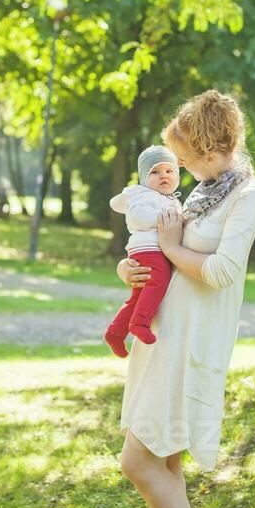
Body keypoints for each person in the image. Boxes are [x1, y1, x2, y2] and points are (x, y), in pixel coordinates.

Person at [116, 89, 255, 508]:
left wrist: (174, 247)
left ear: (210, 145)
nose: (179, 166)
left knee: (136, 461)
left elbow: (222, 270)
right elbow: (153, 248)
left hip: (191, 343)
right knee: (164, 460)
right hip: (157, 338)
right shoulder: (199, 193)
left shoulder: (247, 195)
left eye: (185, 155)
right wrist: (128, 268)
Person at [104, 145, 183, 356]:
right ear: (143, 178)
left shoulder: (170, 199)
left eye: (169, 171)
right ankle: (140, 323)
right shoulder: (142, 195)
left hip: (152, 249)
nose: (163, 176)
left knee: (139, 295)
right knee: (158, 280)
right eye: (155, 172)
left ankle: (116, 331)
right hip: (149, 249)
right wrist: (162, 221)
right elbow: (137, 215)